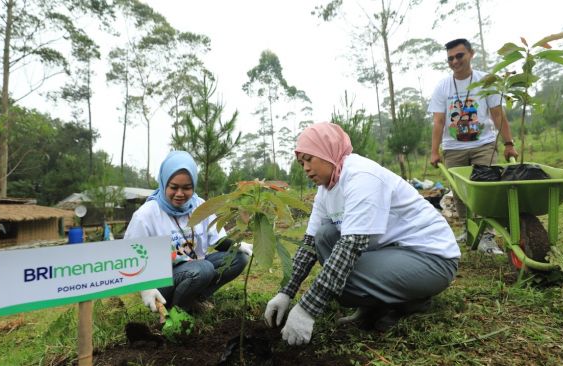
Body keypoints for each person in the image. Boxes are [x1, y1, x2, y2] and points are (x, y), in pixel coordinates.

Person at [263, 122, 460, 346]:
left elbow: (351, 246)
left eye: (309, 159)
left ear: (327, 151)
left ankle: (413, 301)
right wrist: (285, 292)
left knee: (339, 280)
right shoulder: (326, 189)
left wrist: (307, 308)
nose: (305, 168)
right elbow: (309, 245)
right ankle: (376, 302)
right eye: (301, 163)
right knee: (325, 236)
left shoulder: (361, 176)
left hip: (431, 259)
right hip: (391, 253)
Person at [124, 151, 252, 314]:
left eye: (186, 188)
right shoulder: (146, 215)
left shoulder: (199, 206)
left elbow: (217, 241)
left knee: (238, 258)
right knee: (204, 269)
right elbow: (130, 257)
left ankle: (195, 299)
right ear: (163, 183)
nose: (180, 194)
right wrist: (145, 287)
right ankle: (177, 309)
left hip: (196, 268)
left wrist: (237, 246)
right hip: (163, 282)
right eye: (174, 187)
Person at [429, 38, 519, 254]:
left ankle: (486, 236)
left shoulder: (485, 82)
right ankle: (469, 231)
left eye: (459, 55)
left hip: (483, 145)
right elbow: (439, 121)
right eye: (450, 58)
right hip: (453, 147)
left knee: (485, 189)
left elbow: (498, 114)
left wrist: (508, 143)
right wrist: (434, 151)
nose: (455, 61)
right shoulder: (443, 86)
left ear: (471, 54)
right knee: (460, 192)